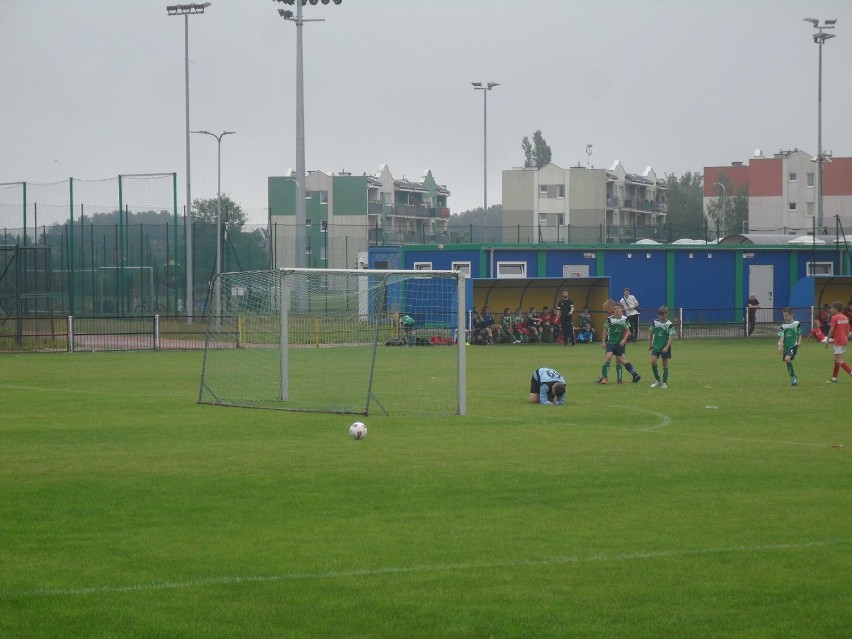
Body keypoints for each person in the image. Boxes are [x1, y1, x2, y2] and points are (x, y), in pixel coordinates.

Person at [597, 301, 641, 384]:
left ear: (621, 309)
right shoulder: (610, 319)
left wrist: (624, 340)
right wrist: (603, 341)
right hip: (611, 342)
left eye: (618, 308)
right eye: (615, 308)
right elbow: (605, 330)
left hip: (620, 343)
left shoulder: (625, 319)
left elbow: (628, 331)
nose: (616, 309)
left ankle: (620, 379)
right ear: (613, 309)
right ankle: (604, 378)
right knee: (609, 357)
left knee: (619, 360)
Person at [826, 300, 852, 383]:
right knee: (837, 360)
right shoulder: (845, 317)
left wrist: (827, 340)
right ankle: (834, 378)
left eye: (832, 308)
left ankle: (850, 372)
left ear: (836, 309)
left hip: (838, 341)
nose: (830, 309)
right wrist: (846, 338)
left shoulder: (834, 317)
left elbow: (832, 329)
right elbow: (847, 330)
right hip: (844, 341)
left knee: (838, 360)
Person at [649, 306, 675, 388]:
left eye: (663, 315)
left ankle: (664, 382)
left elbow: (671, 337)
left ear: (666, 314)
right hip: (656, 346)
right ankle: (657, 380)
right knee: (653, 361)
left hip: (665, 347)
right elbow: (651, 333)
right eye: (660, 314)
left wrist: (667, 347)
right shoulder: (655, 322)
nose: (661, 316)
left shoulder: (669, 324)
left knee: (665, 364)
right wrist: (650, 344)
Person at [776, 307, 802, 387]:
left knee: (787, 359)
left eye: (786, 316)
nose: (785, 318)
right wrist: (780, 347)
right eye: (784, 316)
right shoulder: (783, 326)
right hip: (786, 347)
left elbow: (799, 334)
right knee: (787, 361)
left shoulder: (797, 323)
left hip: (793, 346)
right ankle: (793, 377)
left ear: (791, 315)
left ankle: (793, 377)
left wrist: (799, 342)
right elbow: (782, 337)